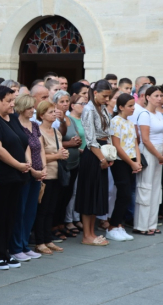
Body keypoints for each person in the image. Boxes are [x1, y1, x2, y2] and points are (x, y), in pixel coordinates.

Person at [0, 85, 30, 269]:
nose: (13, 105)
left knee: (11, 216)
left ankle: (6, 252)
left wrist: (26, 162)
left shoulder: (13, 117)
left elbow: (22, 141)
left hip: (18, 176)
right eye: (9, 101)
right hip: (4, 176)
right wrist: (18, 165)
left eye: (13, 101)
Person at [75, 80, 113, 246]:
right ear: (95, 93)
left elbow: (107, 133)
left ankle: (91, 233)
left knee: (96, 194)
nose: (107, 99)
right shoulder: (89, 109)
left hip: (102, 152)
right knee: (89, 194)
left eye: (109, 96)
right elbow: (90, 139)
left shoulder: (102, 108)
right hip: (93, 155)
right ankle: (87, 235)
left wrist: (109, 156)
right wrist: (102, 158)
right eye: (105, 96)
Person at [8, 94, 46, 260]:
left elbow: (41, 147)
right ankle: (16, 247)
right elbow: (25, 149)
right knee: (20, 211)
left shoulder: (35, 125)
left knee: (31, 210)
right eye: (30, 107)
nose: (33, 110)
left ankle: (24, 245)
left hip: (38, 173)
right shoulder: (15, 125)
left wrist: (43, 168)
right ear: (22, 108)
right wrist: (33, 170)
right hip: (24, 172)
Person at [33, 101, 69, 254]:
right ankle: (39, 241)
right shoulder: (38, 132)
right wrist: (57, 155)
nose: (54, 114)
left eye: (54, 111)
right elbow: (39, 156)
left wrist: (63, 154)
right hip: (46, 174)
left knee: (51, 210)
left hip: (57, 175)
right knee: (42, 210)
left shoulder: (56, 132)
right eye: (50, 112)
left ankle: (48, 239)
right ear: (41, 115)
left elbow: (59, 151)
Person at [134, 86, 163, 235]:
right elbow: (145, 140)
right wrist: (158, 155)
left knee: (156, 188)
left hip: (159, 151)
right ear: (147, 97)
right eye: (156, 95)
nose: (159, 98)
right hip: (148, 152)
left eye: (161, 95)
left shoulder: (159, 114)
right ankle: (141, 225)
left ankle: (152, 224)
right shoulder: (144, 114)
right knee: (145, 187)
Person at [106, 94, 141, 241]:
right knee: (124, 193)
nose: (133, 108)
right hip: (121, 161)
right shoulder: (115, 121)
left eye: (134, 105)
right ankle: (112, 226)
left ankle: (119, 225)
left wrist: (137, 161)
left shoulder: (130, 122)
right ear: (121, 107)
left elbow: (135, 144)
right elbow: (117, 146)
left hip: (131, 160)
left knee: (126, 194)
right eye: (130, 106)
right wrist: (131, 162)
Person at [52, 91, 82, 240]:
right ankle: (54, 226)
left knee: (68, 195)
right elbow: (54, 141)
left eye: (66, 101)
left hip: (74, 162)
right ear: (55, 103)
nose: (64, 104)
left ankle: (62, 223)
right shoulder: (54, 119)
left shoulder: (71, 118)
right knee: (59, 196)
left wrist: (78, 143)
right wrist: (69, 144)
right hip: (62, 164)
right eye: (61, 101)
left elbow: (75, 136)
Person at [65, 94, 88, 231]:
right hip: (75, 157)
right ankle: (69, 220)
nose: (84, 107)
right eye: (82, 104)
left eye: (86, 104)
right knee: (72, 191)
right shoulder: (70, 120)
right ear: (73, 106)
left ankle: (77, 217)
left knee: (80, 190)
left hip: (85, 158)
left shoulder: (84, 119)